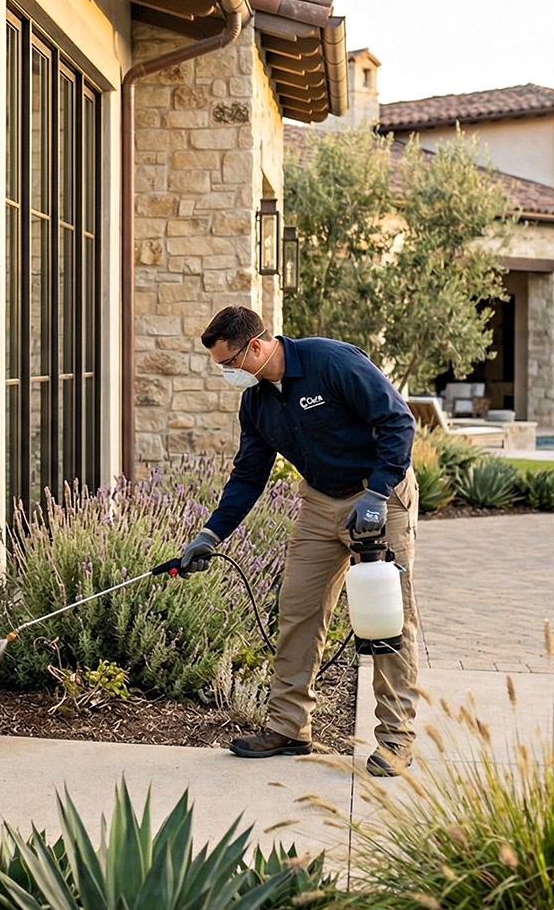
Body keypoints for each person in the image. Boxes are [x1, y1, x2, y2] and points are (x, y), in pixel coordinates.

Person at [179, 305, 420, 777]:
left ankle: (396, 739)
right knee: (297, 611)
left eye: (229, 364)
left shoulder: (331, 363)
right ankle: (290, 727)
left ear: (255, 346)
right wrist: (210, 534)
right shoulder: (256, 402)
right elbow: (248, 475)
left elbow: (398, 422)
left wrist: (376, 492)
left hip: (380, 496)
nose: (228, 374)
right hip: (319, 503)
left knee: (387, 618)